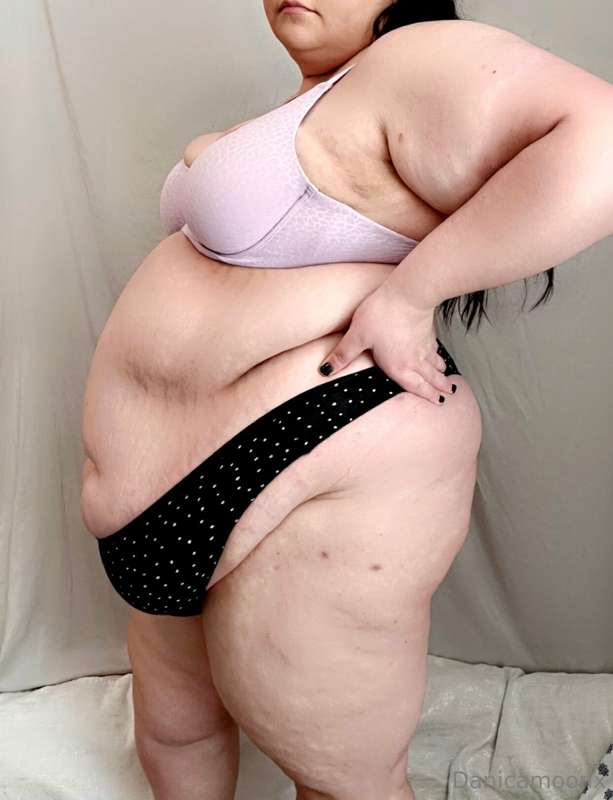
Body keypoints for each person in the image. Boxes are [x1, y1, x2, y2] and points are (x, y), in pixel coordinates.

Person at [79, 1, 613, 798]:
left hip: (314, 454)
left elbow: (602, 138)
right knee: (175, 731)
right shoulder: (320, 102)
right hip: (162, 494)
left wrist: (410, 296)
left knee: (342, 780)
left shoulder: (414, 57)